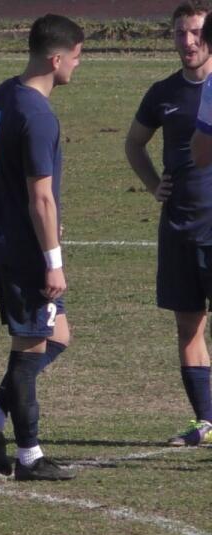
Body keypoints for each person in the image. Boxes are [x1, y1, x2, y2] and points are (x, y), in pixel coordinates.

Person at [0, 14, 83, 481]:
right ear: (56, 59)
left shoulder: (2, 94)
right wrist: (52, 262)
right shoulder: (38, 115)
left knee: (57, 336)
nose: (78, 66)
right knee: (30, 343)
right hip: (25, 248)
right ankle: (30, 455)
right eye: (76, 57)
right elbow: (41, 197)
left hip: (1, 237)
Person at [136, 3, 212, 446]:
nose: (188, 42)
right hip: (179, 227)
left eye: (196, 31)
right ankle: (205, 420)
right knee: (188, 327)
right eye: (180, 33)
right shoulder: (163, 92)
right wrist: (153, 186)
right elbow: (133, 143)